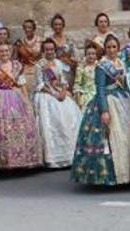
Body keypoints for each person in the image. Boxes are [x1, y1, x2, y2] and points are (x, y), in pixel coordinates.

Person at [71, 34, 130, 186]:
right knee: (111, 138)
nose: (112, 50)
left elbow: (125, 84)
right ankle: (108, 175)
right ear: (105, 49)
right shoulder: (101, 66)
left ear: (118, 47)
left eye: (114, 47)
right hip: (107, 101)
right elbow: (100, 89)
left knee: (127, 136)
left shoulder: (120, 62)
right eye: (108, 47)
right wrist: (104, 111)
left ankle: (127, 172)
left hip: (123, 99)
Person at [0, 43, 43, 169]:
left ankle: (22, 158)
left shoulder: (17, 66)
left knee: (20, 126)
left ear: (10, 52)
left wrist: (27, 101)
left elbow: (22, 85)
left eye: (6, 51)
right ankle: (5, 160)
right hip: (0, 98)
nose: (4, 53)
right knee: (3, 128)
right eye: (1, 51)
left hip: (16, 97)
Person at [33, 39, 82, 168]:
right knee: (53, 121)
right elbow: (40, 84)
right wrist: (54, 94)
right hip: (46, 95)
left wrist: (64, 92)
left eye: (52, 49)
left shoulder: (59, 63)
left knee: (69, 118)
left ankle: (70, 155)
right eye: (47, 49)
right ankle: (54, 158)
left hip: (60, 93)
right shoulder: (40, 65)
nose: (49, 52)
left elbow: (63, 80)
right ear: (43, 51)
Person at [15, 19, 43, 95]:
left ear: (34, 28)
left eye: (30, 27)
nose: (27, 29)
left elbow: (43, 56)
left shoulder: (40, 40)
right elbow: (18, 58)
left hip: (37, 67)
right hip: (25, 68)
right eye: (25, 27)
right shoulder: (20, 42)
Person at [48, 14, 78, 84]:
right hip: (53, 71)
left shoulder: (69, 40)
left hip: (67, 71)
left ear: (63, 26)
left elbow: (75, 57)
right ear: (52, 26)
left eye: (60, 24)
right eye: (55, 24)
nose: (58, 26)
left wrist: (70, 61)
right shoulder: (48, 40)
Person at [73, 46, 98, 111]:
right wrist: (78, 100)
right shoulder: (81, 68)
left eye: (93, 54)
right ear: (85, 55)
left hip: (98, 94)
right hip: (85, 96)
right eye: (89, 54)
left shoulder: (99, 67)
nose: (91, 56)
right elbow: (77, 84)